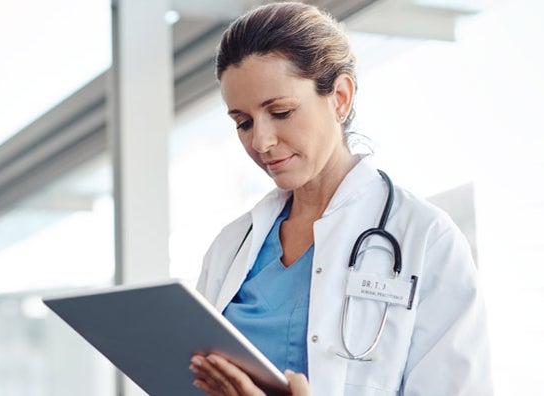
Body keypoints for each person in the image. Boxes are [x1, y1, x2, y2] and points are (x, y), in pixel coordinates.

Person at [189, 3, 492, 395]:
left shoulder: (426, 239)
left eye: (280, 112)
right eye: (243, 123)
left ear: (341, 98)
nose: (260, 141)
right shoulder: (233, 245)